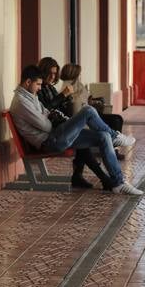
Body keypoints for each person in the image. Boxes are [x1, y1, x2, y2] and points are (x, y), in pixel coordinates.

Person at [10, 65, 142, 196]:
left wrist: (49, 116)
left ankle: (118, 184)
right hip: (50, 141)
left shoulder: (30, 96)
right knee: (88, 110)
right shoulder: (21, 102)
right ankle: (116, 137)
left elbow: (46, 112)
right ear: (28, 82)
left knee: (103, 135)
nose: (39, 88)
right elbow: (46, 126)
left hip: (55, 135)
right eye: (38, 84)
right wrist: (50, 118)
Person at [38, 56, 112, 190]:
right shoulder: (39, 89)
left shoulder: (50, 88)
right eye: (50, 73)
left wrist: (68, 100)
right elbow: (46, 108)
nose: (52, 76)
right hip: (53, 133)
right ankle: (102, 175)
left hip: (60, 126)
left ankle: (86, 176)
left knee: (86, 134)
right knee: (85, 127)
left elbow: (58, 106)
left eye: (55, 73)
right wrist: (63, 96)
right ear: (43, 72)